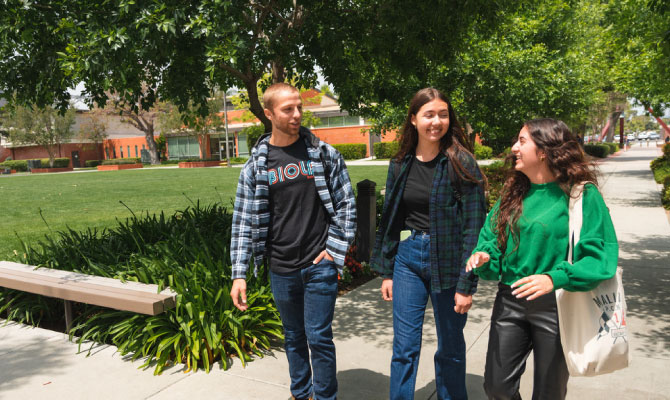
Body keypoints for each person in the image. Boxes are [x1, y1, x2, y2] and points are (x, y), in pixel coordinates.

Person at [466, 118, 618, 400]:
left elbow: (601, 258)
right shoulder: (513, 193)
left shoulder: (582, 194)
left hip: (558, 306)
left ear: (545, 151)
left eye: (522, 141)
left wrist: (555, 278)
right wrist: (485, 256)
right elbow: (490, 239)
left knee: (549, 393)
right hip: (510, 299)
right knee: (496, 387)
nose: (514, 147)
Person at [229, 83, 356, 400]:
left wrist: (333, 251)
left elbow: (347, 206)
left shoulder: (324, 155)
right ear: (270, 113)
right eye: (288, 109)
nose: (297, 114)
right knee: (293, 336)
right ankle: (301, 393)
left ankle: (325, 396)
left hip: (319, 264)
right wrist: (239, 273)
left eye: (299, 107)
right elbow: (243, 220)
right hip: (281, 267)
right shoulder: (256, 166)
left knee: (318, 336)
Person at [371, 88, 487, 400]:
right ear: (413, 119)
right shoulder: (400, 164)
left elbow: (474, 227)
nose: (437, 121)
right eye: (429, 114)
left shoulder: (462, 163)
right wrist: (387, 271)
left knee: (450, 346)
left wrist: (467, 284)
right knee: (404, 347)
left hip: (449, 263)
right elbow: (392, 219)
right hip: (408, 259)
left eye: (443, 114)